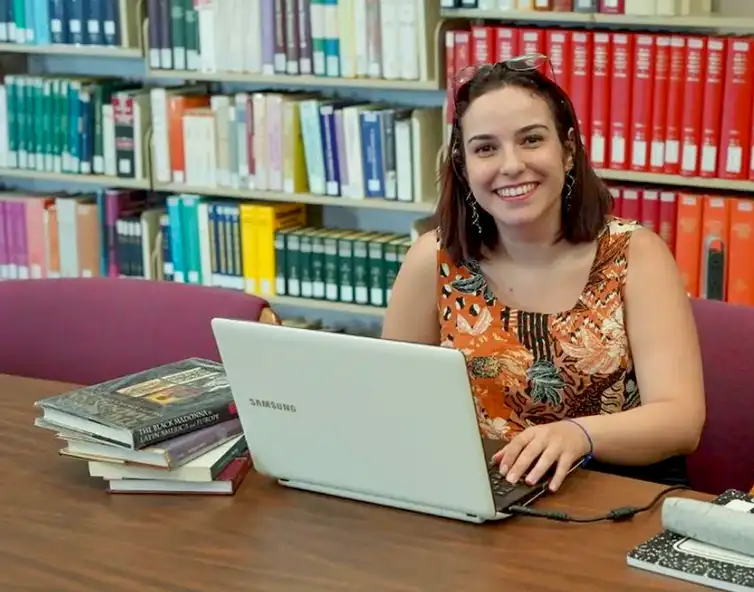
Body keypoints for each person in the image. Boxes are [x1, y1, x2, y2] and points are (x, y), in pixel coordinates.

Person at [381, 55, 706, 493]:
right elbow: (391, 406)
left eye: (531, 140)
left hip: (612, 494)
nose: (511, 165)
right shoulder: (433, 260)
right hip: (478, 491)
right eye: (486, 148)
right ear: (463, 166)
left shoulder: (635, 255)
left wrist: (579, 433)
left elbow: (680, 419)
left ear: (568, 150)